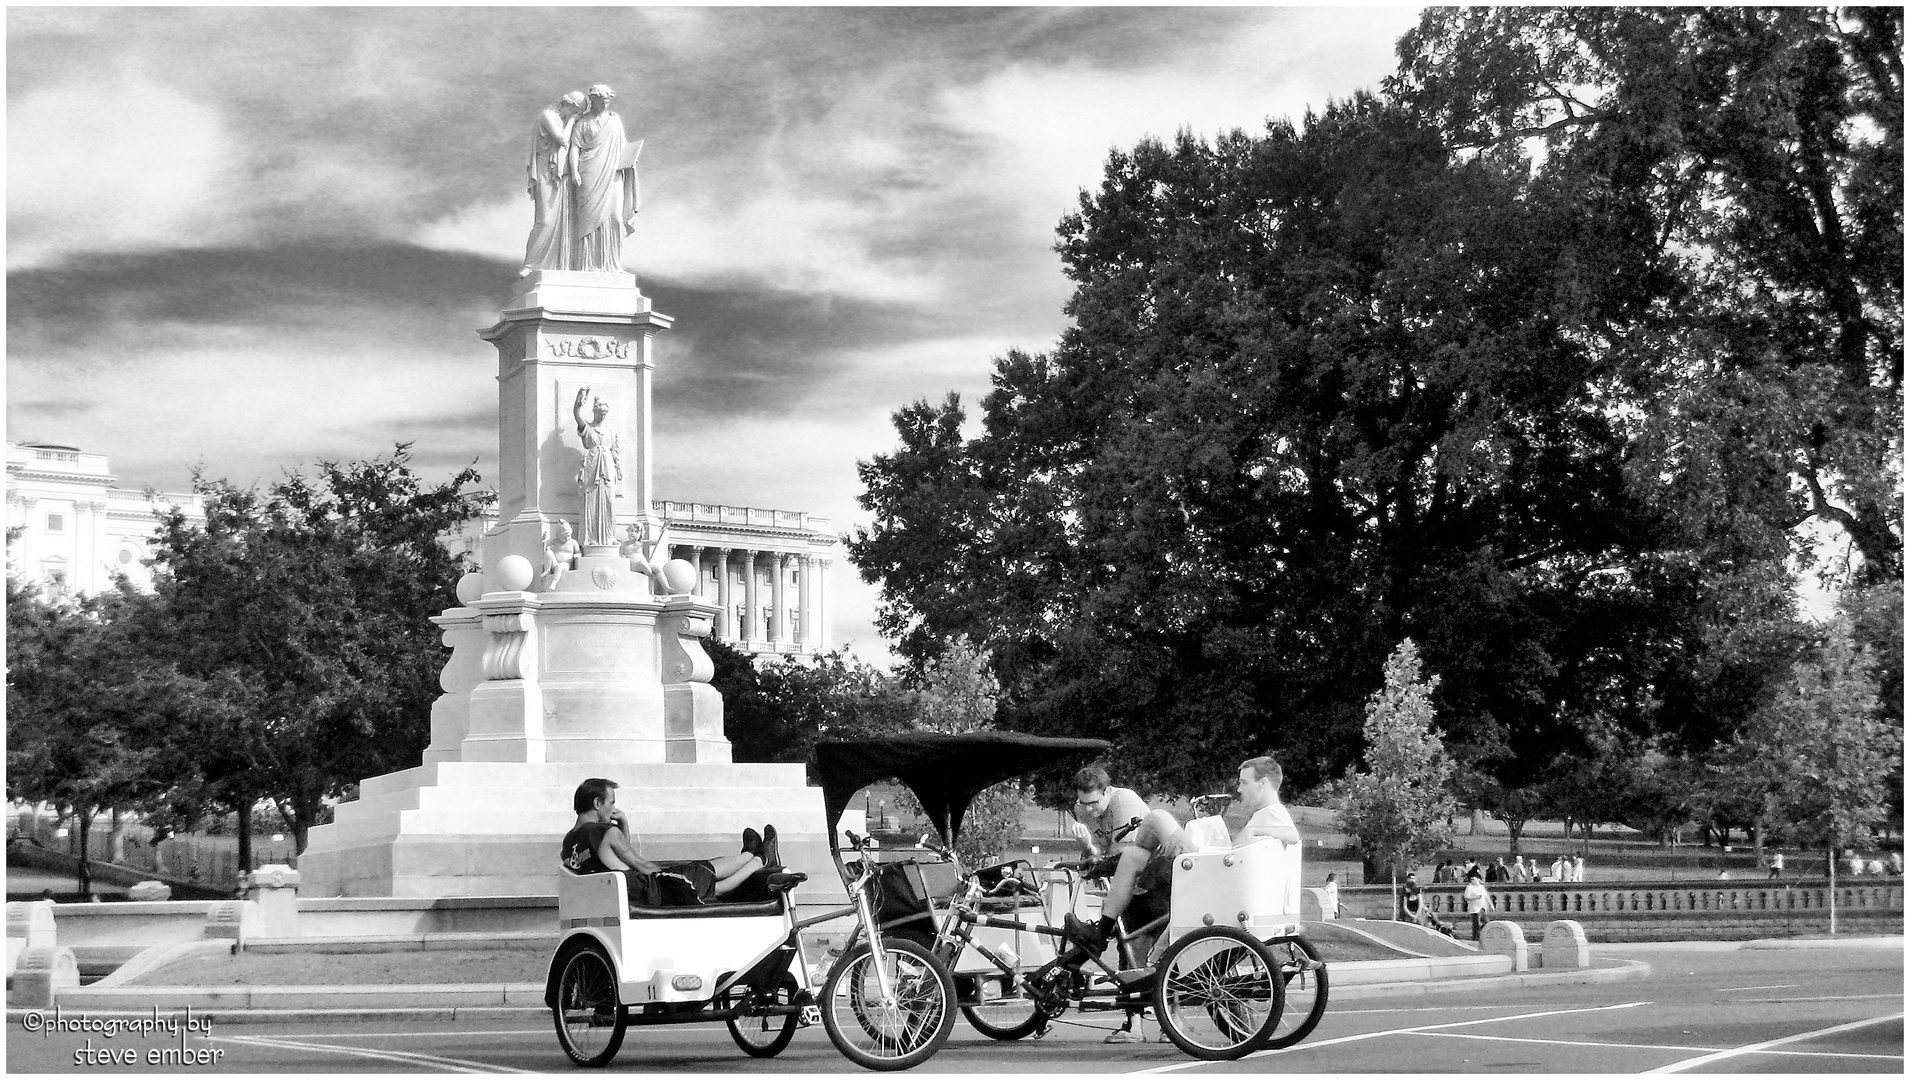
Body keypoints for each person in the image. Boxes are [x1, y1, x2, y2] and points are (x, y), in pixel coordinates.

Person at [560, 777, 792, 906]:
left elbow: (616, 856)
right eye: (611, 803)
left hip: (625, 893)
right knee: (700, 873)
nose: (614, 809)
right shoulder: (603, 832)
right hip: (648, 891)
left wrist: (623, 826)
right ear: (597, 803)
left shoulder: (569, 844)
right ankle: (760, 859)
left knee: (699, 872)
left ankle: (748, 855)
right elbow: (640, 864)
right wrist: (665, 870)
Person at [568, 84, 640, 272]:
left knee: (614, 217)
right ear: (593, 100)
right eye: (602, 101)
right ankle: (586, 264)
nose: (605, 105)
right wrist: (574, 171)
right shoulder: (583, 123)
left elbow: (622, 145)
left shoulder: (615, 121)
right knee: (588, 217)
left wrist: (631, 158)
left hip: (613, 172)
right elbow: (575, 147)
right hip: (589, 171)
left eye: (607, 101)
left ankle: (610, 264)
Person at [521, 90, 586, 275]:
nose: (575, 115)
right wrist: (573, 121)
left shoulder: (565, 121)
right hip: (546, 171)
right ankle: (531, 264)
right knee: (545, 220)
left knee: (563, 220)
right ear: (569, 105)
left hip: (562, 175)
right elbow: (562, 140)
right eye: (576, 111)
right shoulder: (548, 116)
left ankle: (558, 263)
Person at [1068, 766, 1151, 861]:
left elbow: (1121, 852)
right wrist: (1087, 846)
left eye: (1093, 803)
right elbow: (1096, 853)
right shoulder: (1080, 808)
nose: (1088, 809)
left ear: (1107, 792)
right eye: (1083, 803)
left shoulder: (1124, 801)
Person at [573, 387, 622, 548]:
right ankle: (591, 537)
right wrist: (579, 402)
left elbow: (615, 451)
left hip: (607, 465)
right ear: (594, 412)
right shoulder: (588, 428)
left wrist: (618, 468)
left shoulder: (610, 431)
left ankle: (609, 535)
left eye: (605, 413)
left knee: (609, 501)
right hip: (592, 464)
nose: (603, 416)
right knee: (591, 501)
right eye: (600, 413)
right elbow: (577, 415)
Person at [1233, 755, 1301, 846]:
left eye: (1244, 783)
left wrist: (1253, 830)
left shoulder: (1273, 810)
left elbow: (1293, 835)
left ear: (1262, 783)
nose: (1239, 789)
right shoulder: (1264, 812)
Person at [1461, 867, 1494, 941]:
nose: (1472, 880)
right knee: (1476, 925)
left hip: (1482, 908)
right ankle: (1476, 938)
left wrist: (1491, 905)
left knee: (1486, 923)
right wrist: (1475, 897)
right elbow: (1466, 897)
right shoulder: (1469, 887)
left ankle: (1483, 936)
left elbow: (1486, 896)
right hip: (1474, 909)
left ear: (1478, 879)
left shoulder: (1481, 887)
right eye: (1471, 879)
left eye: (1474, 879)